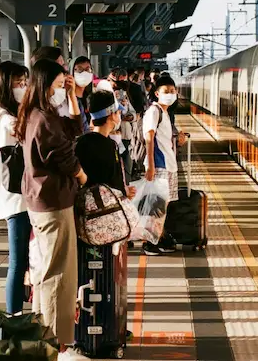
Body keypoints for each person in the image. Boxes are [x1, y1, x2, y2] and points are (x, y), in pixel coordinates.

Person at [18, 58, 89, 361]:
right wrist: (80, 174)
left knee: (47, 271)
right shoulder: (43, 119)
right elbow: (61, 153)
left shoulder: (36, 114)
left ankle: (44, 334)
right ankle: (59, 345)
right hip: (53, 201)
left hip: (42, 200)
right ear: (45, 85)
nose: (63, 90)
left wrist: (73, 96)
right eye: (60, 85)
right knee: (60, 273)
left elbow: (75, 129)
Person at [0, 61, 31, 314]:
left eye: (25, 82)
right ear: (4, 85)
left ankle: (18, 311)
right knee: (17, 261)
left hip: (13, 197)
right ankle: (14, 315)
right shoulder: (7, 121)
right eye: (17, 83)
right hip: (17, 199)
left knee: (21, 259)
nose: (22, 88)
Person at [143, 75, 187, 255]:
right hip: (160, 166)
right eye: (165, 91)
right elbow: (149, 137)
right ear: (156, 93)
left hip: (169, 166)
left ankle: (159, 239)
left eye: (172, 91)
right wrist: (151, 165)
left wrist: (179, 141)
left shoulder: (166, 113)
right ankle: (149, 243)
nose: (170, 94)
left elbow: (164, 140)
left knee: (163, 206)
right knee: (156, 206)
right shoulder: (154, 111)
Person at [77, 91, 137, 198]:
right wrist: (124, 192)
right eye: (118, 112)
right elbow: (113, 181)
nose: (119, 115)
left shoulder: (81, 142)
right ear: (112, 115)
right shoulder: (110, 145)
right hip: (107, 205)